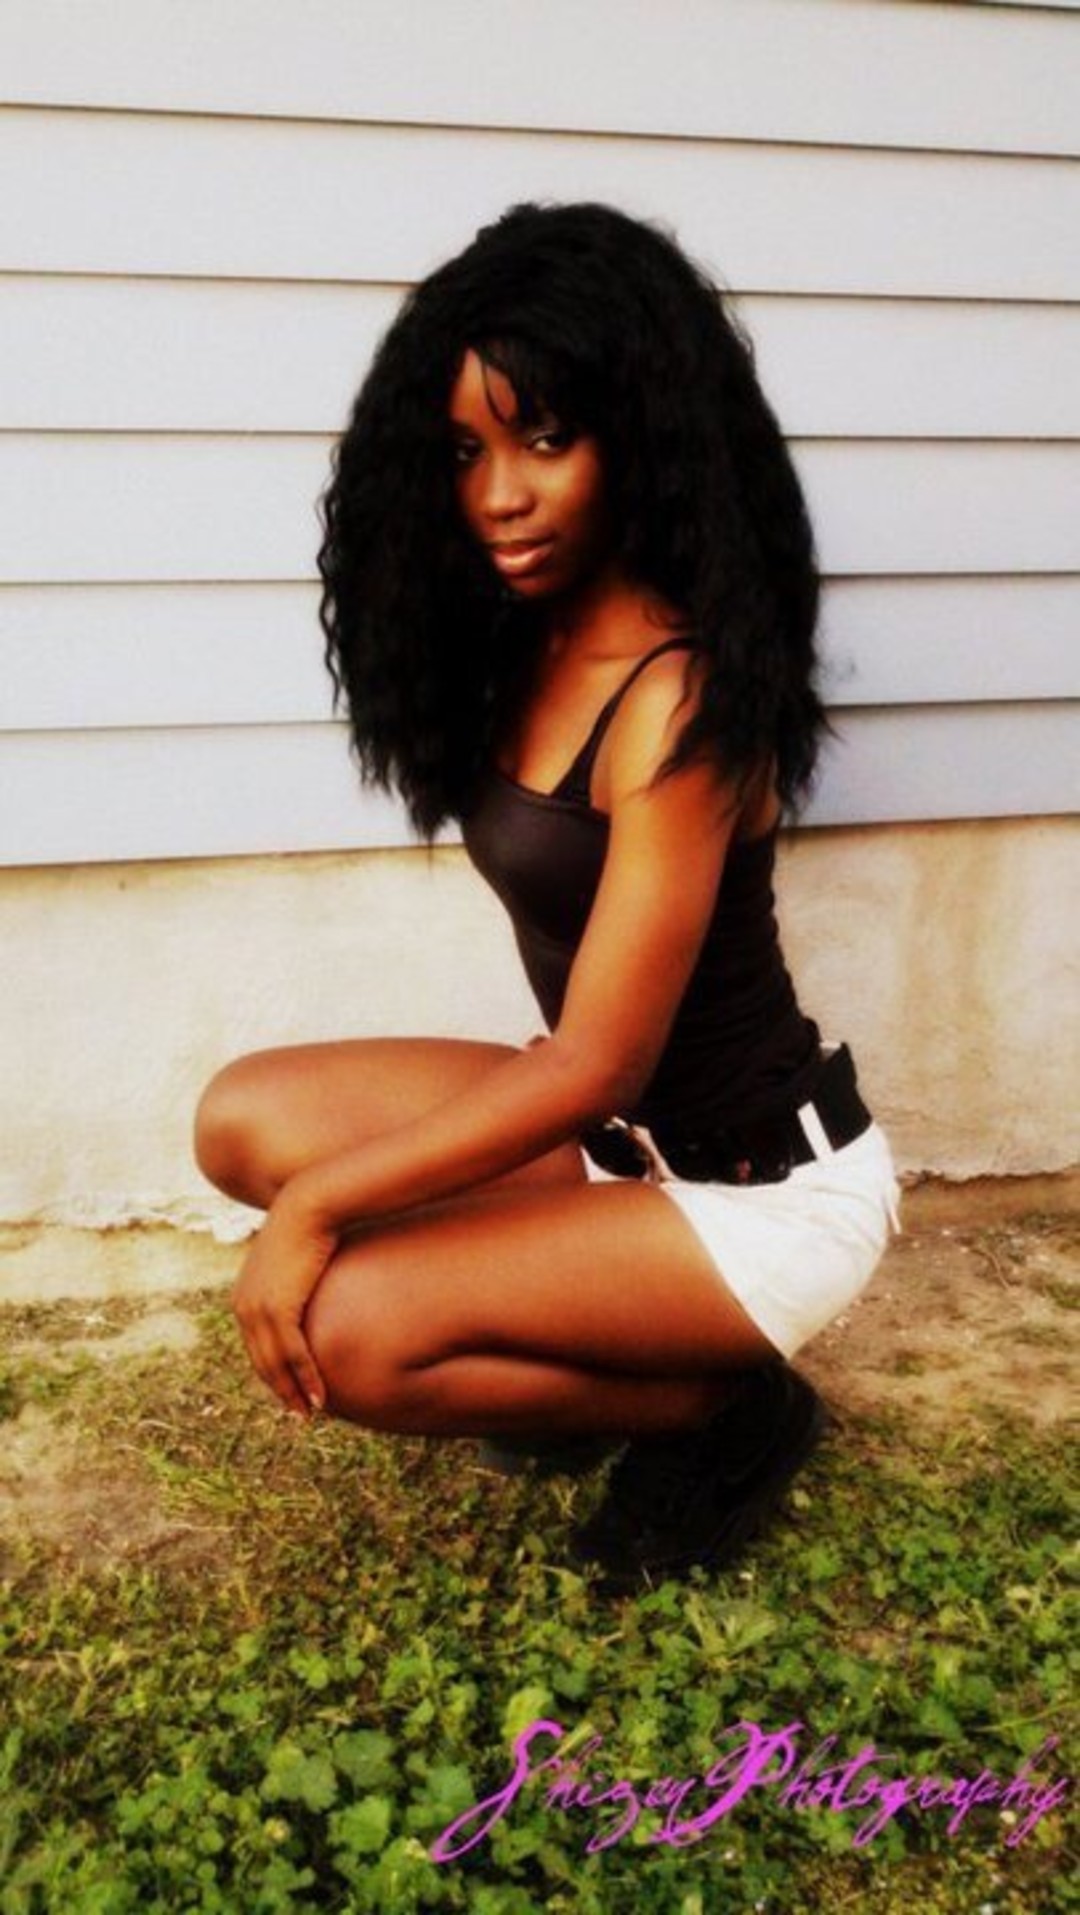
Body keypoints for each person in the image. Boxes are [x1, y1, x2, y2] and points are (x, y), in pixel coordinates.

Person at [193, 201, 900, 1592]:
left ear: (645, 434)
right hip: (620, 1143)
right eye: (466, 450)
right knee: (240, 1120)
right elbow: (592, 1078)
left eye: (546, 440)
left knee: (352, 1331)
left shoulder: (679, 697)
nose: (499, 496)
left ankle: (725, 1409)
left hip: (764, 1193)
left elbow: (595, 1060)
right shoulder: (521, 638)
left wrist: (316, 1210)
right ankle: (592, 1349)